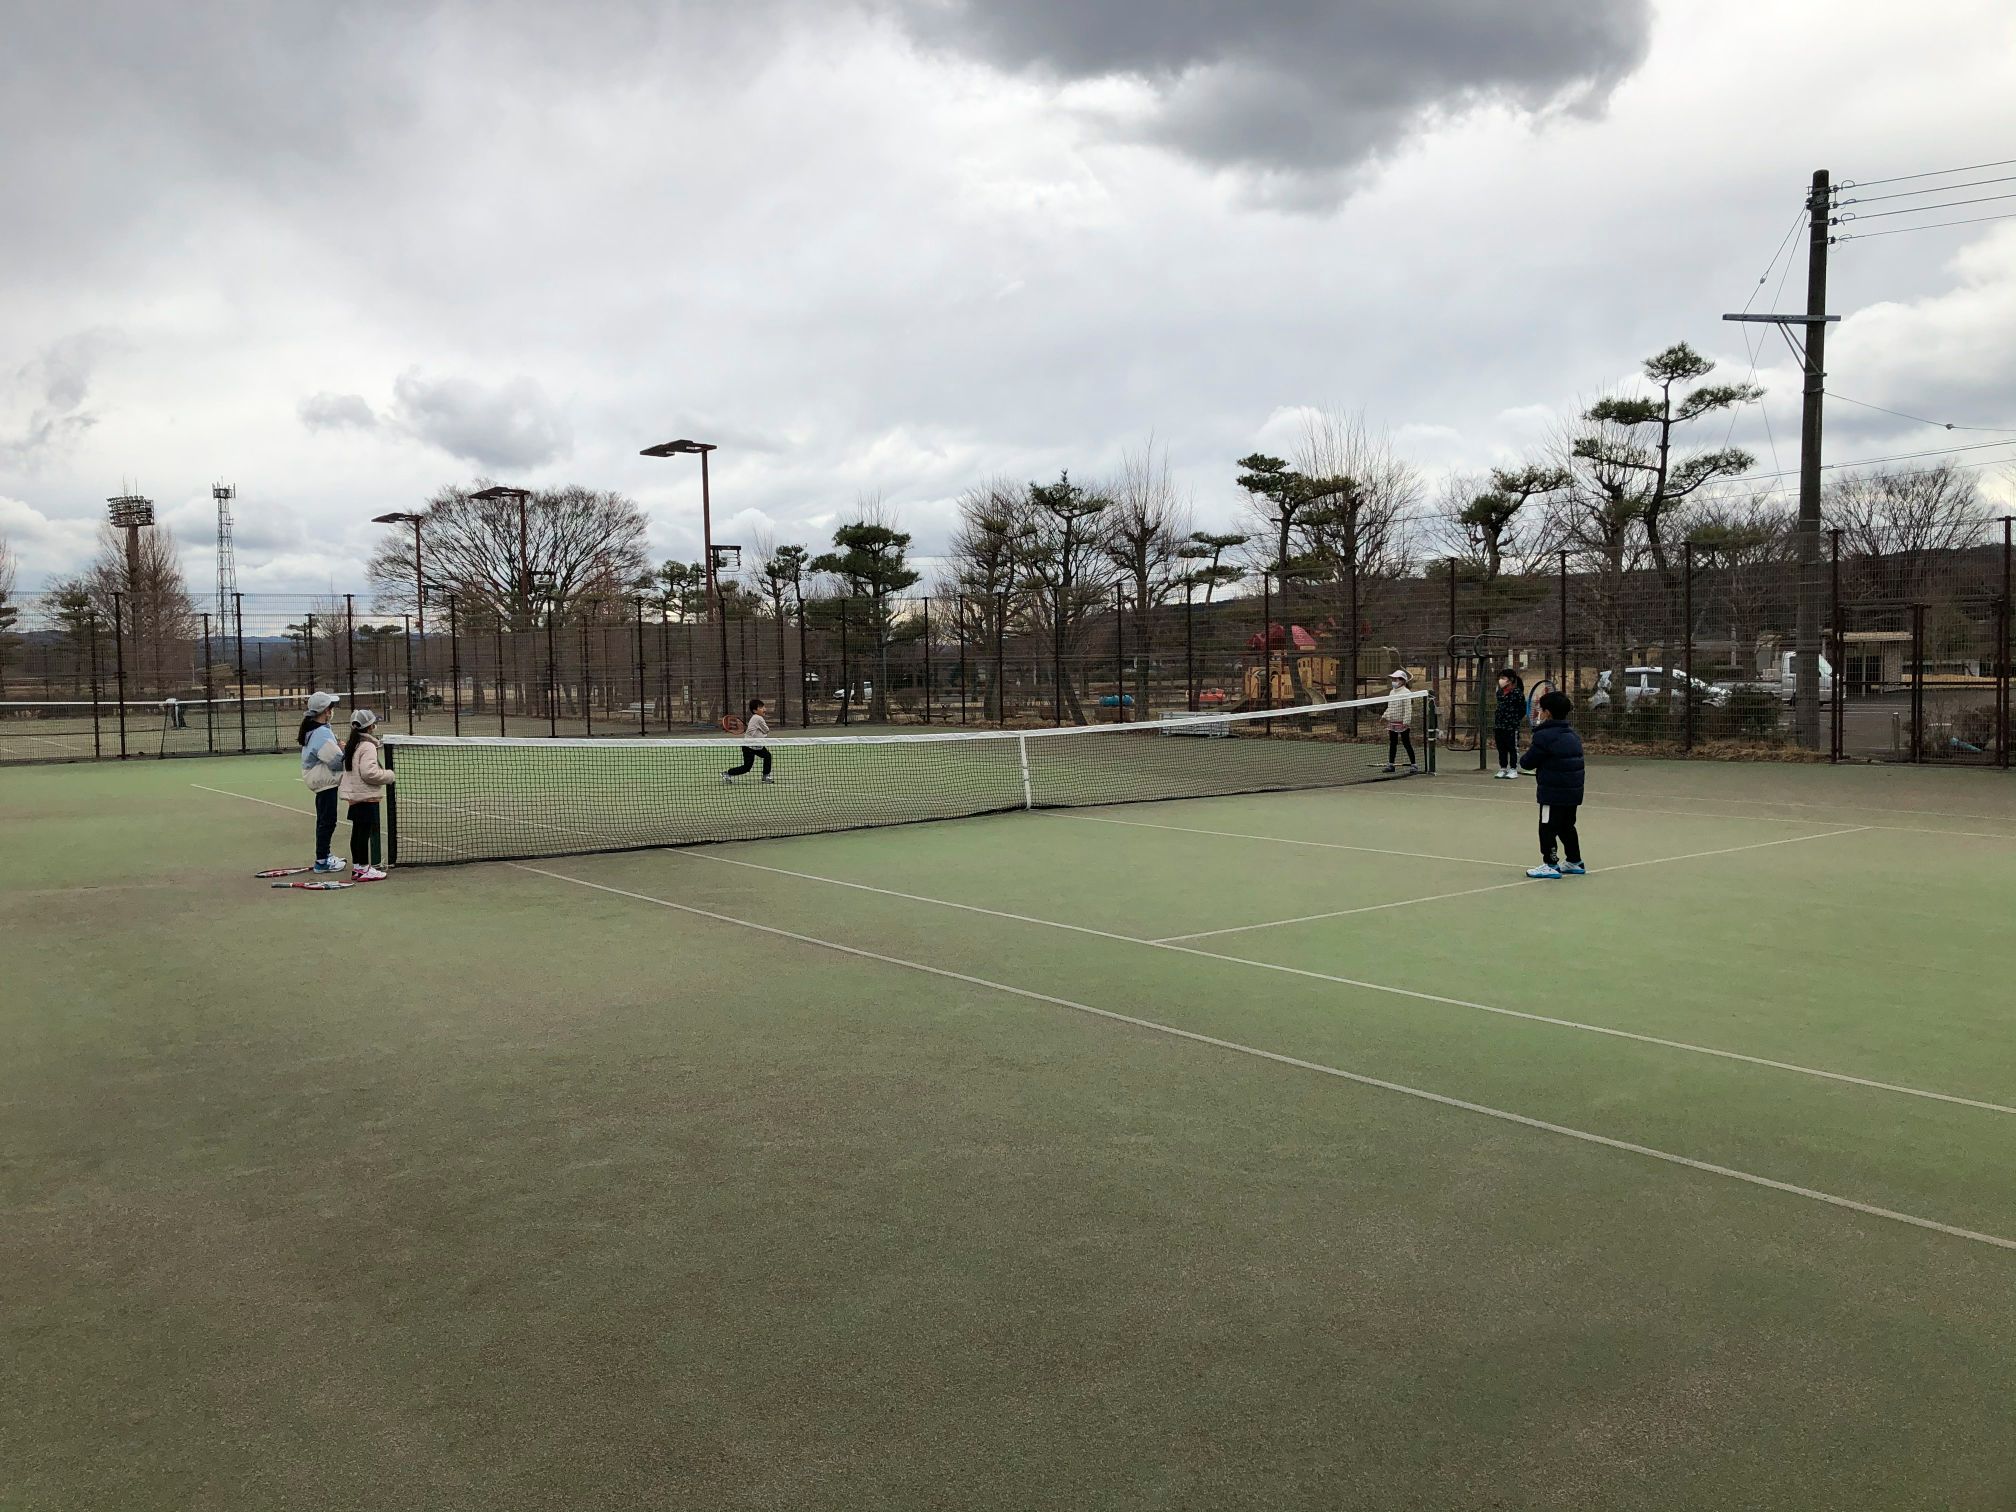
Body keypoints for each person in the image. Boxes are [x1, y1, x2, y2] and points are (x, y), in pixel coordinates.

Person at [1519, 689, 1587, 879]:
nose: (1539, 712)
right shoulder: (1573, 735)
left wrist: (1527, 754)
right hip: (1573, 793)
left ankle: (1551, 864)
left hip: (1552, 793)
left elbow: (1527, 762)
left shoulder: (1544, 737)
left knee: (1547, 827)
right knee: (1567, 826)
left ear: (1547, 712)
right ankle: (1575, 861)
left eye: (1541, 709)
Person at [338, 708, 395, 881]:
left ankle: (359, 868)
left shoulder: (354, 744)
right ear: (370, 727)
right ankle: (362, 868)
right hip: (364, 796)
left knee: (358, 832)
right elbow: (369, 773)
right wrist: (389, 775)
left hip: (356, 796)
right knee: (362, 833)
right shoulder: (368, 746)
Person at [296, 691, 346, 873]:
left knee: (325, 821)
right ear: (326, 711)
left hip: (322, 783)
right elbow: (337, 762)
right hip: (325, 783)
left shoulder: (318, 730)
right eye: (331, 707)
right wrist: (345, 751)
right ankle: (322, 860)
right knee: (327, 821)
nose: (332, 711)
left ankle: (324, 856)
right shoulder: (321, 733)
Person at [723, 698, 774, 784]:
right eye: (761, 708)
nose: (764, 709)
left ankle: (766, 776)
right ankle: (727, 773)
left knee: (767, 756)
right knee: (747, 767)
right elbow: (766, 730)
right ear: (755, 710)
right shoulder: (758, 718)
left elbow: (757, 732)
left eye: (763, 707)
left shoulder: (756, 718)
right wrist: (762, 734)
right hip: (749, 746)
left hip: (756, 745)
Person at [1380, 670, 1418, 774]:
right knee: (1393, 743)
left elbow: (1408, 709)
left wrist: (1406, 722)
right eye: (1393, 679)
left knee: (1406, 743)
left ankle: (1414, 765)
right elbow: (1390, 707)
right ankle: (1391, 765)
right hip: (1392, 723)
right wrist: (1384, 716)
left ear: (1402, 681)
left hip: (1402, 723)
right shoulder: (1392, 692)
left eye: (1395, 679)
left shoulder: (1406, 693)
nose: (1393, 681)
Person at [1492, 668, 1525, 778]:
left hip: (1512, 726)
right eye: (1500, 678)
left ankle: (1513, 769)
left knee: (1512, 747)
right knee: (1501, 748)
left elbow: (1522, 709)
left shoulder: (1517, 693)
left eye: (1503, 678)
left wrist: (1514, 720)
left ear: (1510, 680)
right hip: (1499, 725)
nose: (1501, 680)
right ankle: (1503, 768)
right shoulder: (1499, 693)